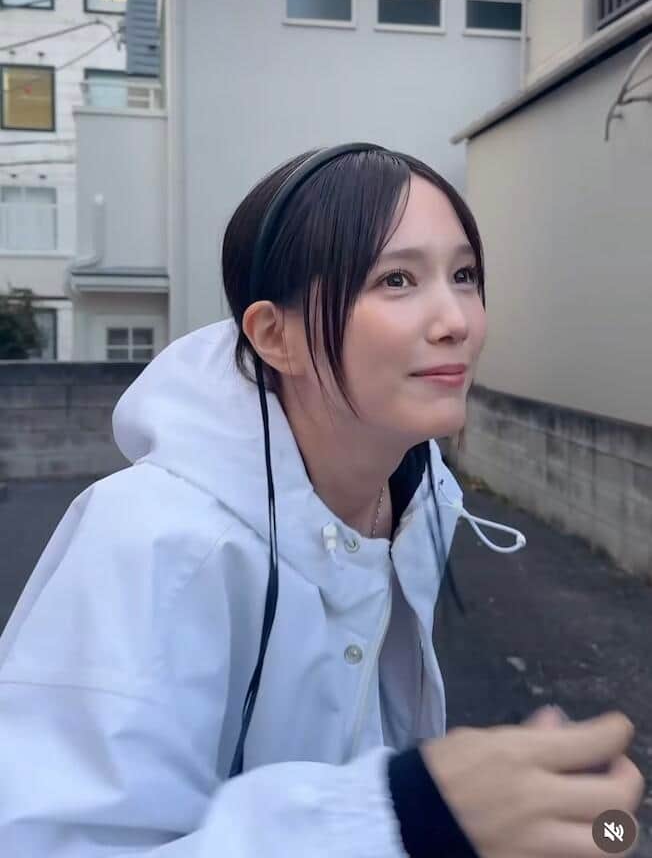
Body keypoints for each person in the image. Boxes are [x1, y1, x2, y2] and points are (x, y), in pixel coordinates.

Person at [0, 145, 644, 856]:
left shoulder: (415, 499)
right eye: (397, 280)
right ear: (276, 336)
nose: (456, 320)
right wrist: (409, 818)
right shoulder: (153, 543)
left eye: (464, 276)